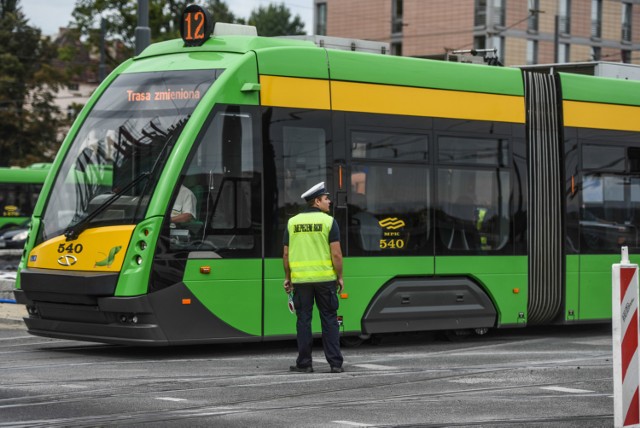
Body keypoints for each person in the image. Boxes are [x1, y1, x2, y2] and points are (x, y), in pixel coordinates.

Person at [283, 181, 344, 373]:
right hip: (326, 280)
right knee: (329, 319)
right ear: (317, 201)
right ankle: (335, 364)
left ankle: (304, 364)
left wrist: (288, 277)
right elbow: (336, 254)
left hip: (301, 281)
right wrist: (339, 276)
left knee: (303, 321)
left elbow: (286, 254)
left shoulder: (292, 223)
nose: (330, 202)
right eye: (326, 199)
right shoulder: (329, 222)